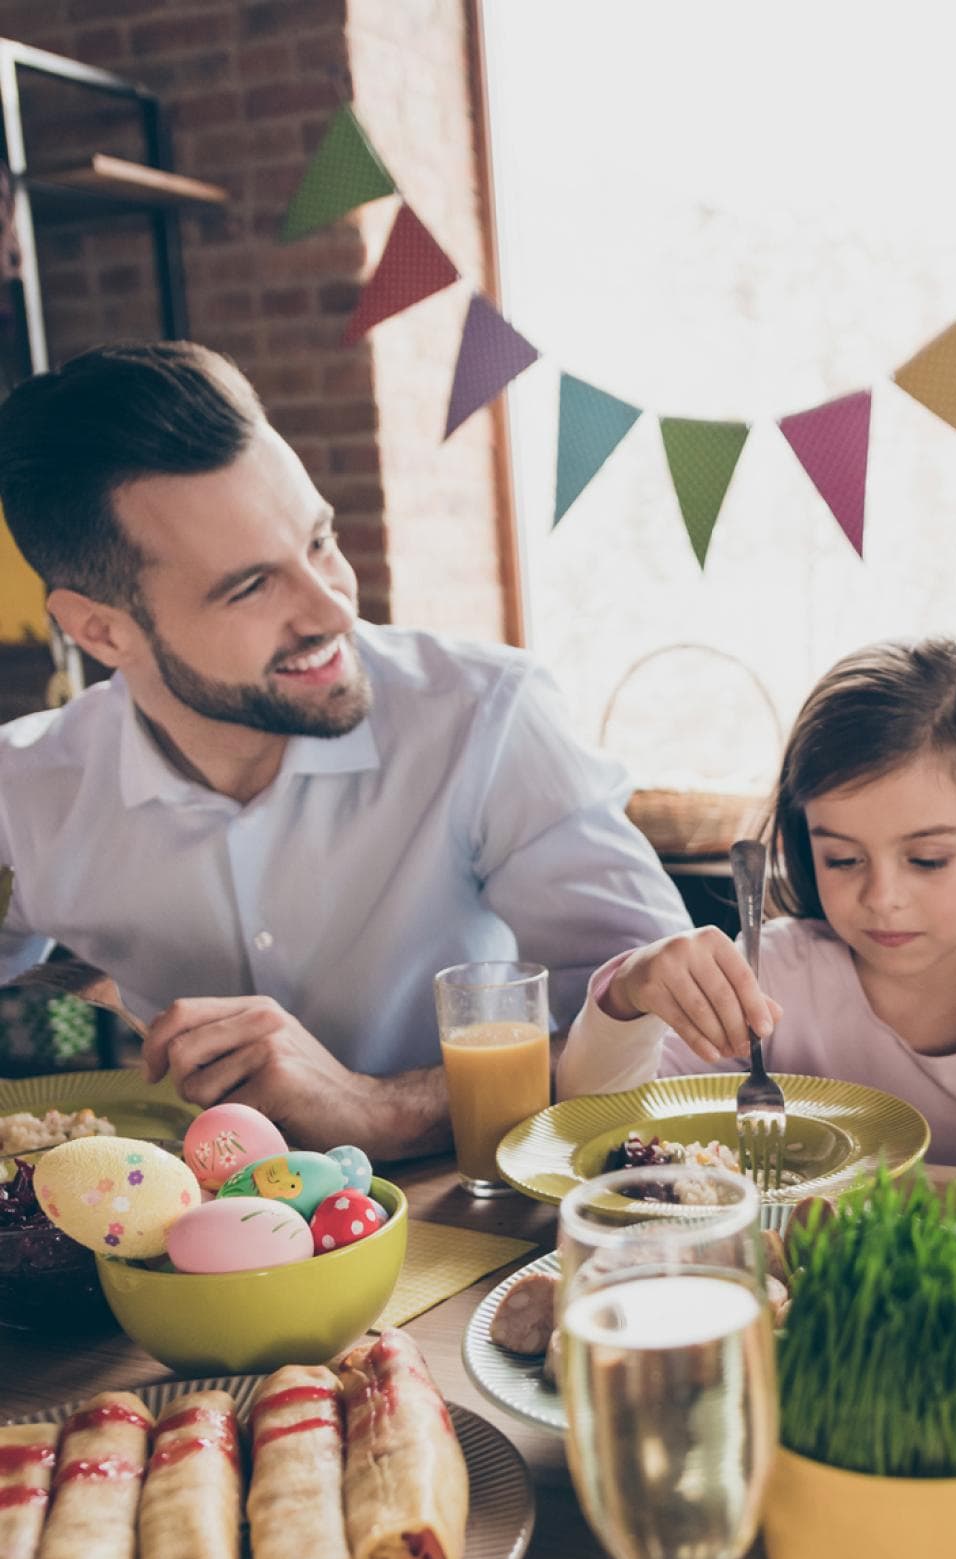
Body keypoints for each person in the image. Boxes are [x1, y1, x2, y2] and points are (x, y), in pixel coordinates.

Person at [0, 341, 689, 1158]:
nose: (331, 608)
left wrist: (380, 1107)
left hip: (482, 1230)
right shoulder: (24, 791)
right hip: (171, 1250)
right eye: (252, 585)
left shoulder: (487, 717)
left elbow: (673, 1043)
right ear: (99, 630)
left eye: (320, 540)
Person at [558, 640, 956, 1177]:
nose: (882, 898)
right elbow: (600, 1130)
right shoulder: (774, 974)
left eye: (927, 859)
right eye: (843, 860)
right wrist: (627, 996)